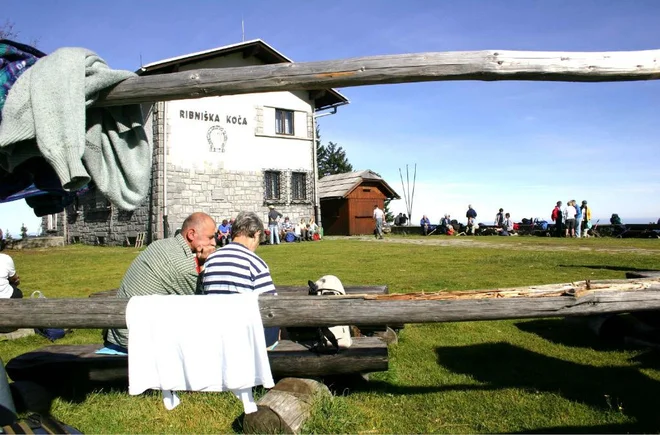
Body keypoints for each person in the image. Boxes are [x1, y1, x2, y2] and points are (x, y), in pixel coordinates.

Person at [103, 212, 217, 352]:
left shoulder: (164, 244)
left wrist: (198, 262)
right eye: (210, 237)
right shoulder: (182, 265)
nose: (214, 243)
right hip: (133, 338)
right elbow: (201, 305)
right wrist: (206, 264)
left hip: (119, 326)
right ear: (191, 234)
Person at [202, 211, 279, 347]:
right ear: (255, 235)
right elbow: (271, 307)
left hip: (214, 333)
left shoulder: (210, 260)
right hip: (243, 337)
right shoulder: (255, 263)